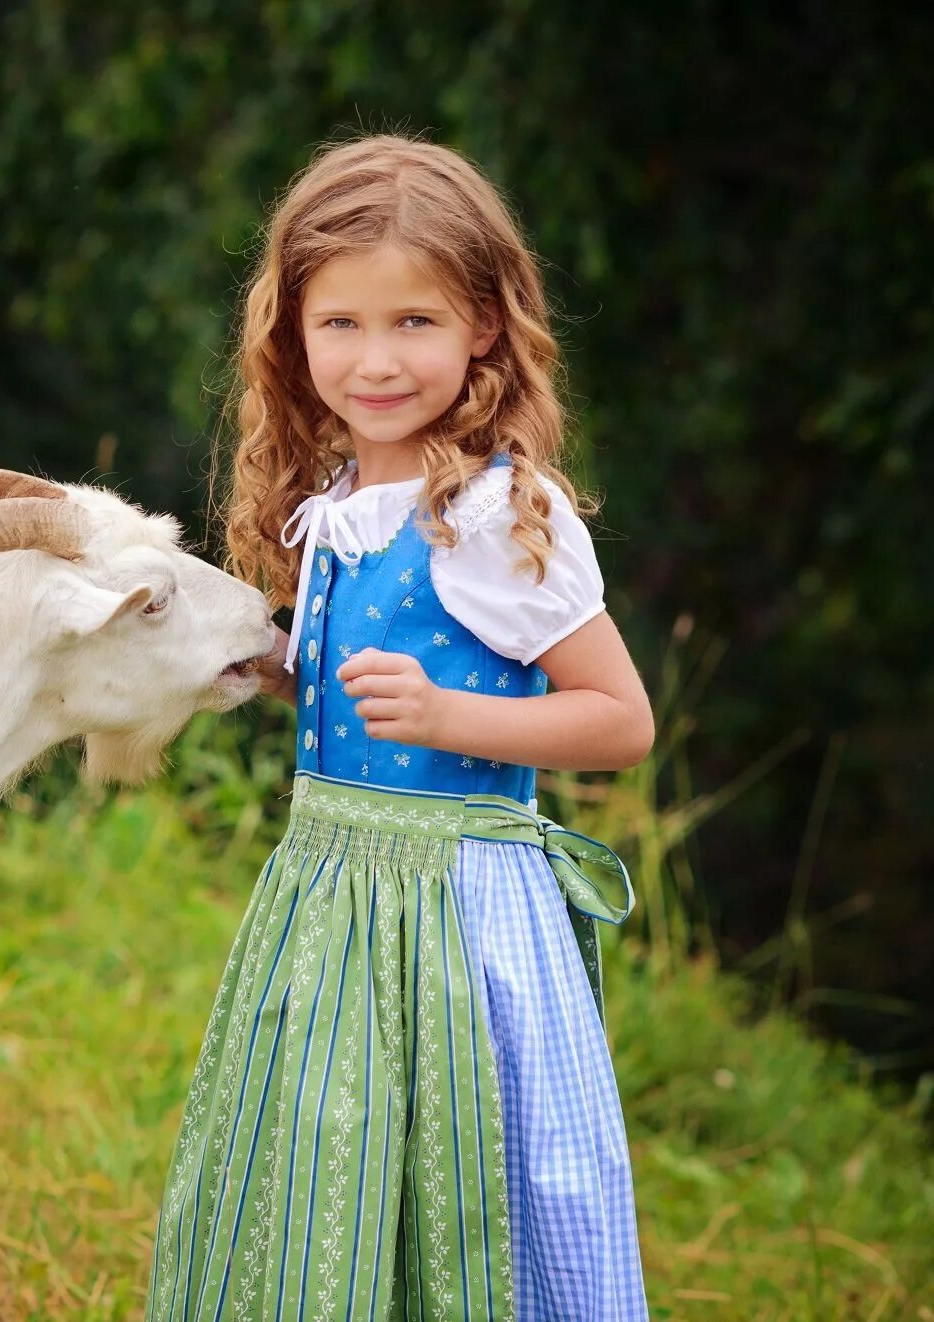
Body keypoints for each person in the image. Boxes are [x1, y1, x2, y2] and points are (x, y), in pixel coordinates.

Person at [147, 133, 655, 1320]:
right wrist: (277, 669)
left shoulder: (494, 514)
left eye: (416, 322)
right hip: (329, 903)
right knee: (326, 1162)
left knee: (474, 1178)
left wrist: (449, 712)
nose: (377, 360)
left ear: (485, 323)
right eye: (343, 325)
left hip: (459, 918)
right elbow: (345, 692)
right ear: (293, 332)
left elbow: (620, 718)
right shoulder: (330, 509)